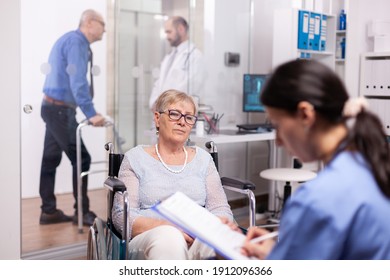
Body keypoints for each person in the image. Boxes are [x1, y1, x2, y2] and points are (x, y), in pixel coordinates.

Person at [241, 59, 390, 260]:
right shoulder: (373, 163)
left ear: (305, 114)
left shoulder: (317, 199)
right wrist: (277, 252)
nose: (277, 141)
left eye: (277, 126)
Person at [112, 89, 233, 259]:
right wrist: (167, 226)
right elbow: (122, 215)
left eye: (189, 117)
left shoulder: (203, 159)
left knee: (220, 242)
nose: (182, 122)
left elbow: (220, 208)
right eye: (174, 114)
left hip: (197, 236)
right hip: (151, 238)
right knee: (169, 236)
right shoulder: (135, 158)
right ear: (157, 118)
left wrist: (210, 228)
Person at [39, 9, 106, 226]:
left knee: (50, 159)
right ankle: (82, 212)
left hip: (52, 107)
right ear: (89, 23)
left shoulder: (71, 40)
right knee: (82, 159)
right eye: (102, 24)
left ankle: (48, 211)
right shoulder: (77, 42)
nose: (105, 28)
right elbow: (78, 81)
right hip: (58, 110)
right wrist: (91, 113)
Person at [149, 16, 204, 111]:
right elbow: (158, 83)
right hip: (163, 112)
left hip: (177, 113)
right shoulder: (169, 57)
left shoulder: (195, 56)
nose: (167, 37)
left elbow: (189, 88)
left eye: (169, 32)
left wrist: (166, 106)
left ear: (181, 29)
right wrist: (154, 103)